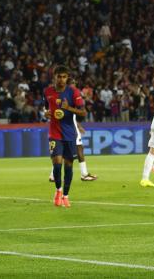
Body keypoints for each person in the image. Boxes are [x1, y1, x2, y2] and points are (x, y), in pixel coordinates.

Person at [43, 65, 87, 207]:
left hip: (69, 134)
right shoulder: (48, 91)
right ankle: (58, 190)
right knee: (57, 164)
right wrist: (46, 113)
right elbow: (46, 106)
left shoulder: (73, 92)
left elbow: (83, 112)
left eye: (64, 77)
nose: (61, 79)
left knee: (68, 166)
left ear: (67, 78)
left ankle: (66, 196)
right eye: (59, 76)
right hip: (54, 133)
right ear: (54, 77)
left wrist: (69, 108)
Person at [49, 78, 97, 182]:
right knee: (78, 149)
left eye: (75, 84)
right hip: (69, 129)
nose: (75, 86)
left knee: (67, 151)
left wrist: (78, 126)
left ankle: (53, 174)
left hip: (69, 126)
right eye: (73, 84)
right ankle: (84, 174)